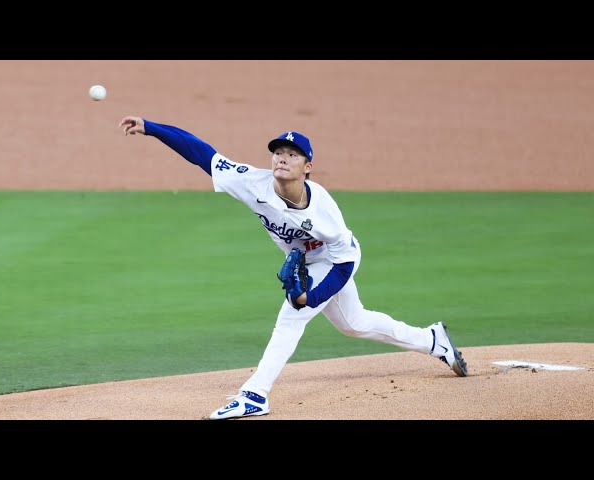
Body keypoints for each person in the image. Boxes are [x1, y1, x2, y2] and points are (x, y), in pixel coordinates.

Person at [118, 116, 469, 420]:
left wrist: (310, 297)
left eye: (292, 154)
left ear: (307, 166)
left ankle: (255, 395)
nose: (282, 158)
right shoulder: (251, 182)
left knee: (291, 316)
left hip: (334, 260)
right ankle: (433, 339)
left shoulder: (324, 211)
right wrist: (151, 128)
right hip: (307, 261)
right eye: (278, 152)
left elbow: (345, 263)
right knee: (354, 323)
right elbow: (201, 153)